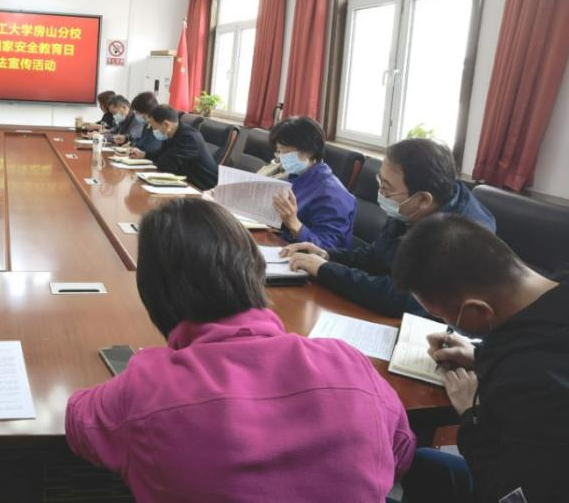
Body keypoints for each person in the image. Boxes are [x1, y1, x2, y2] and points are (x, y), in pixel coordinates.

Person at [65, 198, 415, 502]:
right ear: (256, 269)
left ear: (154, 293)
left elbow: (79, 421)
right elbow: (400, 452)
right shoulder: (348, 362)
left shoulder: (148, 386)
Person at [394, 215, 569, 503]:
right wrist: (480, 355)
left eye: (444, 317)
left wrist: (472, 416)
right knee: (426, 466)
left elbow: (507, 494)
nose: (448, 325)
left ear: (477, 310)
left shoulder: (539, 384)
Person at [283, 138, 496, 318]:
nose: (381, 194)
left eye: (386, 188)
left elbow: (402, 297)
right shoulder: (410, 208)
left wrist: (325, 270)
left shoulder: (462, 237)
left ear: (423, 200)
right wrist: (327, 255)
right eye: (380, 182)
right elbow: (376, 256)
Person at [268, 117, 356, 250]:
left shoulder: (332, 195)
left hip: (307, 259)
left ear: (308, 151)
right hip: (283, 245)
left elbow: (329, 250)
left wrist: (294, 224)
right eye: (278, 152)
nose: (281, 158)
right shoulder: (294, 177)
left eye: (285, 152)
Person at [129, 105, 218, 190]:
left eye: (154, 127)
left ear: (166, 124)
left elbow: (166, 164)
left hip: (202, 189)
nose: (153, 130)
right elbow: (161, 154)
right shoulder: (171, 133)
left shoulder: (188, 138)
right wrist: (144, 154)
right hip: (187, 183)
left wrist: (158, 160)